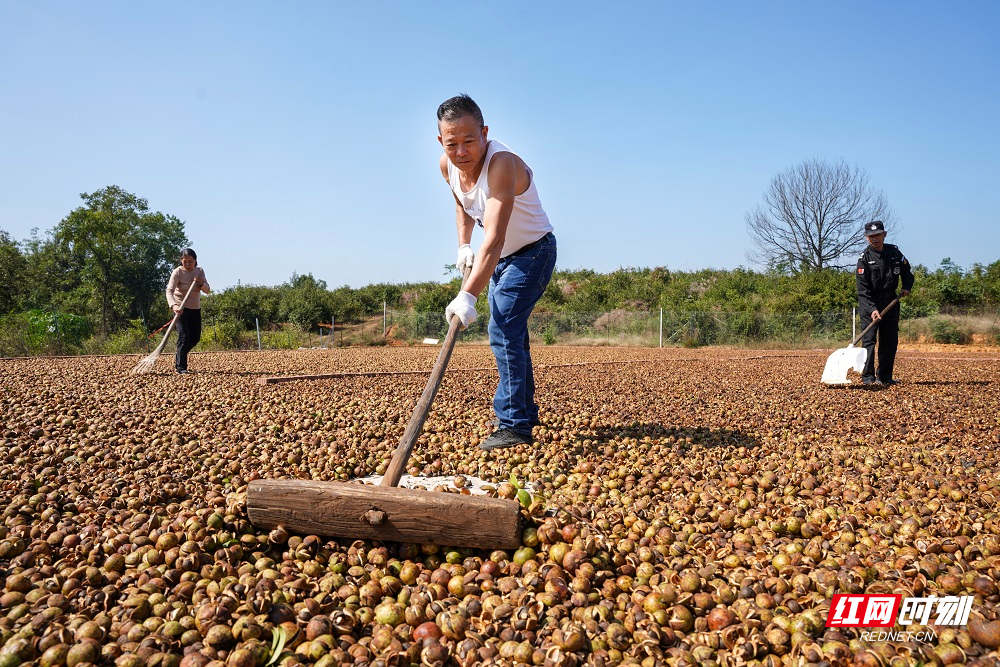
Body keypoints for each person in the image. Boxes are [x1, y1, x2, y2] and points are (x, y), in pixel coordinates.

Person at [437, 94, 557, 451]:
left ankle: (514, 425)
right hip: (502, 257)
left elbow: (494, 237)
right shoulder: (447, 166)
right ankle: (523, 412)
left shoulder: (502, 164)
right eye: (451, 143)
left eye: (469, 141)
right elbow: (462, 203)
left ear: (485, 133)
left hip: (532, 252)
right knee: (512, 333)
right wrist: (462, 246)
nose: (461, 152)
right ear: (441, 142)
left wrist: (468, 294)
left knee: (502, 328)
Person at [856, 221, 914, 386]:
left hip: (891, 301)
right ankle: (868, 378)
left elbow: (907, 271)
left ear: (884, 235)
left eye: (878, 235)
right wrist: (872, 309)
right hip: (870, 302)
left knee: (890, 340)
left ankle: (885, 376)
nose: (875, 238)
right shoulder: (864, 259)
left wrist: (906, 287)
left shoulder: (894, 253)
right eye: (871, 236)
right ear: (867, 238)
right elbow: (862, 290)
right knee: (869, 341)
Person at [166, 248, 210, 375]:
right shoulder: (177, 272)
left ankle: (180, 353)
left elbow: (207, 290)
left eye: (190, 262)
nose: (188, 264)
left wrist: (202, 283)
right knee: (184, 336)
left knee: (195, 337)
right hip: (180, 308)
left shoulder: (200, 271)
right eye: (185, 262)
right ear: (181, 261)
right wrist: (173, 305)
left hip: (195, 308)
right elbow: (169, 291)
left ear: (195, 261)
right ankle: (181, 367)